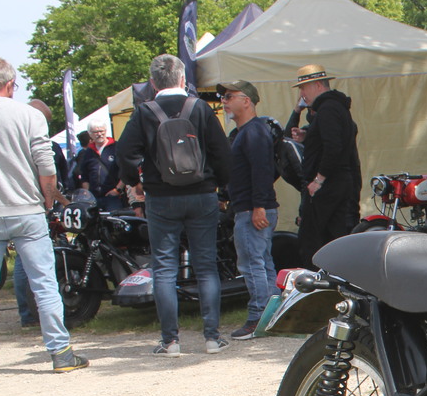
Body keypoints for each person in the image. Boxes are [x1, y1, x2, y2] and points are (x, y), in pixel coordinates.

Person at [117, 53, 232, 357]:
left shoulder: (144, 112)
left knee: (164, 268)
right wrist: (220, 186)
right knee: (206, 266)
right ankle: (212, 338)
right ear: (183, 78)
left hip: (161, 197)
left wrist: (134, 182)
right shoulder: (201, 108)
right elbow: (222, 152)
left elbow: (125, 153)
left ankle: (170, 341)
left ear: (153, 83)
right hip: (202, 194)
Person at [0, 57, 89, 378]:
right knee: (44, 284)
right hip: (27, 209)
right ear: (10, 84)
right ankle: (61, 352)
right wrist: (48, 200)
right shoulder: (29, 115)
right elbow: (46, 165)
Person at [218, 79, 278, 340]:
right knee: (262, 263)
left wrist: (258, 206)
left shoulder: (254, 132)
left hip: (253, 209)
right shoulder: (247, 132)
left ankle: (258, 317)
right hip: (252, 207)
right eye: (223, 97)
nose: (224, 102)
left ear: (246, 101)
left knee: (252, 264)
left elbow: (262, 171)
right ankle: (273, 316)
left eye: (229, 97)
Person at [289, 64, 360, 264]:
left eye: (304, 88)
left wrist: (319, 180)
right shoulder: (335, 108)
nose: (302, 94)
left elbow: (334, 147)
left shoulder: (328, 108)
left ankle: (316, 279)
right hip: (338, 182)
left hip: (329, 185)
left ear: (318, 85)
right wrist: (308, 136)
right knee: (333, 238)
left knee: (312, 242)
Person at [12, 99, 72, 328]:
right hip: (34, 208)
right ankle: (40, 319)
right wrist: (62, 203)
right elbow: (47, 178)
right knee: (39, 269)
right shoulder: (39, 143)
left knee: (24, 264)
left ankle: (28, 313)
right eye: (45, 120)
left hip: (14, 208)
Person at [74, 121, 121, 211]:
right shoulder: (88, 152)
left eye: (101, 131)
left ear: (106, 131)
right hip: (94, 197)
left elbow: (126, 171)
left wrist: (118, 190)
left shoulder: (117, 147)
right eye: (95, 132)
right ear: (90, 134)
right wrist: (88, 193)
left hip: (114, 197)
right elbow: (84, 175)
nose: (99, 134)